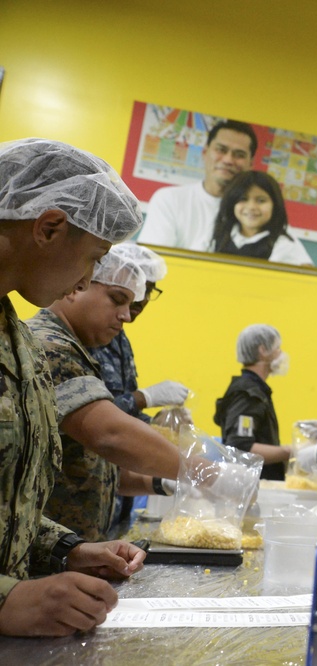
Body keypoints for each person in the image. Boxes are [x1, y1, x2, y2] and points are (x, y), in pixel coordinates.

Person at [0, 138, 146, 636]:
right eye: (94, 257)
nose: (85, 280)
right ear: (49, 227)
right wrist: (5, 600)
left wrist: (66, 548)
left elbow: (8, 501)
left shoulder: (15, 339)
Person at [28, 246, 184, 541]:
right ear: (77, 286)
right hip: (47, 549)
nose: (127, 316)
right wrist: (204, 472)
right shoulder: (50, 345)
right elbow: (110, 436)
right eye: (118, 299)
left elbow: (94, 464)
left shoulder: (85, 347)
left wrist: (162, 482)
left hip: (72, 542)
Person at [88, 242, 189, 524]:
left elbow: (122, 414)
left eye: (148, 292)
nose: (142, 301)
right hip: (76, 506)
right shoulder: (84, 337)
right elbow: (98, 420)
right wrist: (145, 396)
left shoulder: (118, 338)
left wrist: (157, 423)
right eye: (136, 290)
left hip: (114, 500)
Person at [137, 119, 257, 252]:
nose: (228, 160)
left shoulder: (257, 212)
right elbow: (151, 260)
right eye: (221, 150)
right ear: (205, 152)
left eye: (239, 155)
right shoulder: (169, 199)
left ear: (250, 164)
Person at [214, 324, 292, 480]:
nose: (281, 353)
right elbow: (240, 447)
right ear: (263, 350)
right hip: (253, 486)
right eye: (277, 348)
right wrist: (289, 452)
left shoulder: (256, 391)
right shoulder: (247, 394)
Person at [210, 170, 313, 266]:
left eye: (261, 201)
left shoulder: (283, 244)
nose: (251, 207)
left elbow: (306, 277)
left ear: (275, 205)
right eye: (243, 199)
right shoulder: (219, 233)